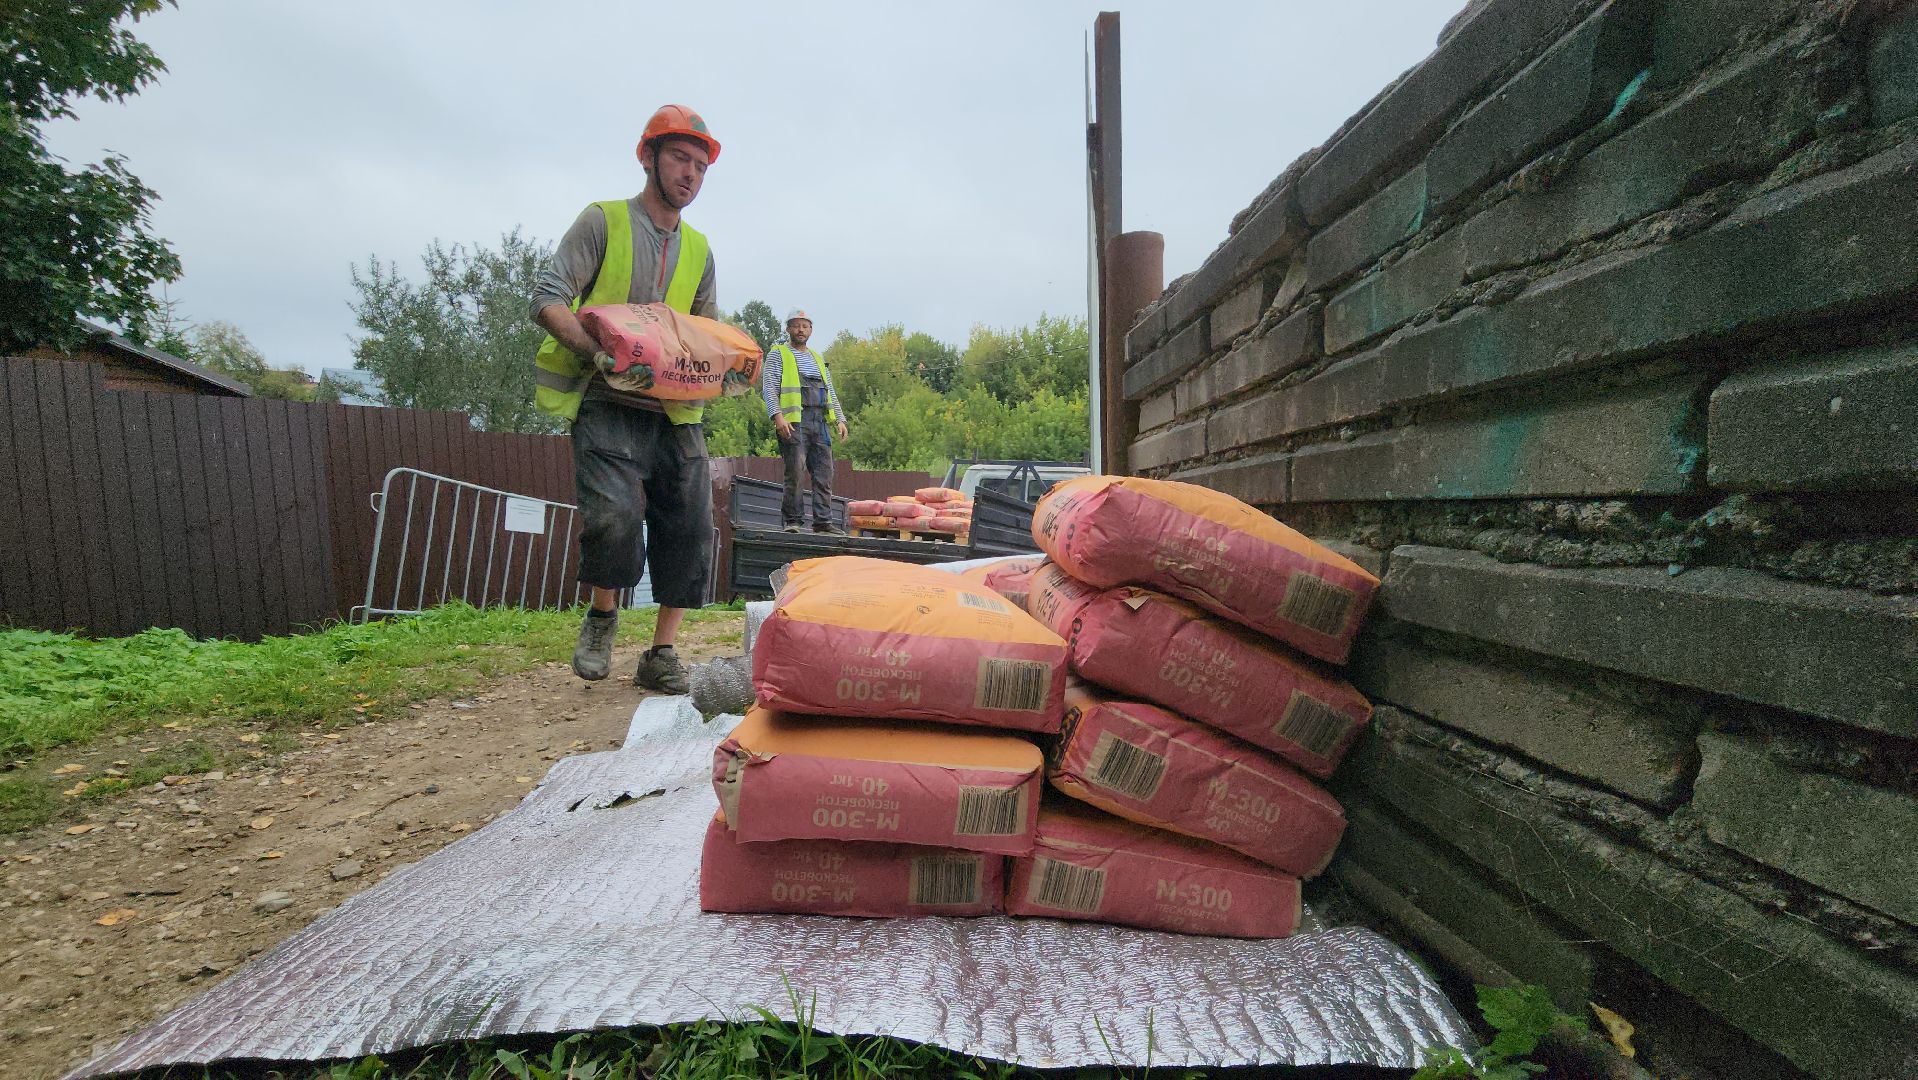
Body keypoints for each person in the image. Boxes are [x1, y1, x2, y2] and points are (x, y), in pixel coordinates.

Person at [528, 104, 721, 692]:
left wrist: (727, 365)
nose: (690, 173)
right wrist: (596, 352)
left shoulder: (701, 251)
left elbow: (704, 333)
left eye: (700, 165)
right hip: (607, 400)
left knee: (690, 528)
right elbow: (547, 295)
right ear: (647, 157)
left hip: (674, 411)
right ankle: (604, 614)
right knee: (614, 518)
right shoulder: (603, 222)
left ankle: (661, 653)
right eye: (679, 159)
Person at [761, 309, 849, 533]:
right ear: (788, 328)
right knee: (796, 472)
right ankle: (793, 521)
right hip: (794, 421)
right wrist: (777, 416)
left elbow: (831, 392)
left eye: (805, 326)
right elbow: (769, 387)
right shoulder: (778, 354)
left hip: (819, 422)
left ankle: (823, 522)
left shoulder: (818, 358)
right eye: (796, 325)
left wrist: (840, 419)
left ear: (811, 330)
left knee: (824, 472)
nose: (801, 330)